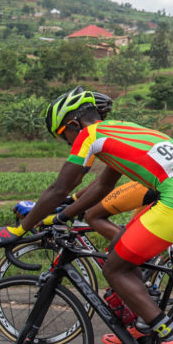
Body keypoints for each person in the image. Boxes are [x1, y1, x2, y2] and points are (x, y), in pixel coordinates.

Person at [0, 86, 173, 344]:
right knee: (122, 246)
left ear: (72, 124)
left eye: (63, 136)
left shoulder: (88, 135)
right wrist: (63, 213)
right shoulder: (119, 131)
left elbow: (59, 188)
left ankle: (171, 335)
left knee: (114, 270)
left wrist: (18, 229)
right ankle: (143, 323)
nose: (67, 142)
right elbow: (102, 187)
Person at [43, 91, 159, 241]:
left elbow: (79, 178)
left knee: (93, 216)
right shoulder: (116, 130)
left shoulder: (94, 134)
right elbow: (103, 181)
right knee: (137, 235)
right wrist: (72, 199)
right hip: (163, 182)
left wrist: (62, 202)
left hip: (151, 185)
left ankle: (130, 261)